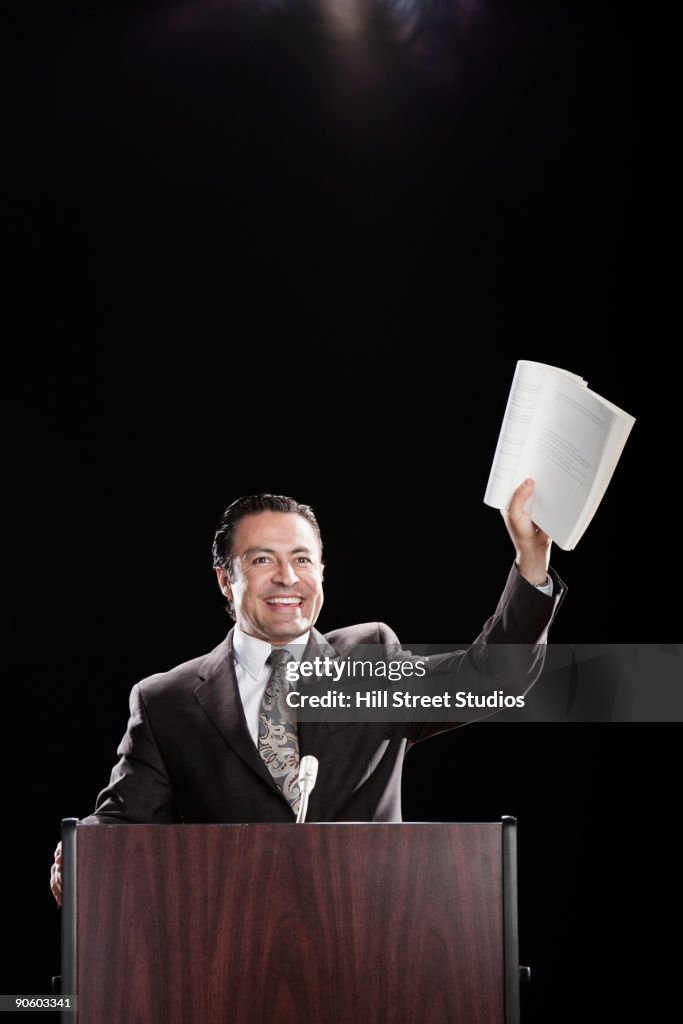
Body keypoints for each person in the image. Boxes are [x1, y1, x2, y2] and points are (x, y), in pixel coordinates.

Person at [50, 479, 565, 904]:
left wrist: (531, 558)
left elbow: (492, 679)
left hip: (375, 943)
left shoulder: (371, 657)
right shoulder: (167, 701)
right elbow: (124, 824)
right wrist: (80, 849)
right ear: (225, 581)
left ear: (321, 573)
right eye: (261, 561)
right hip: (229, 956)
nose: (286, 578)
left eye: (301, 559)